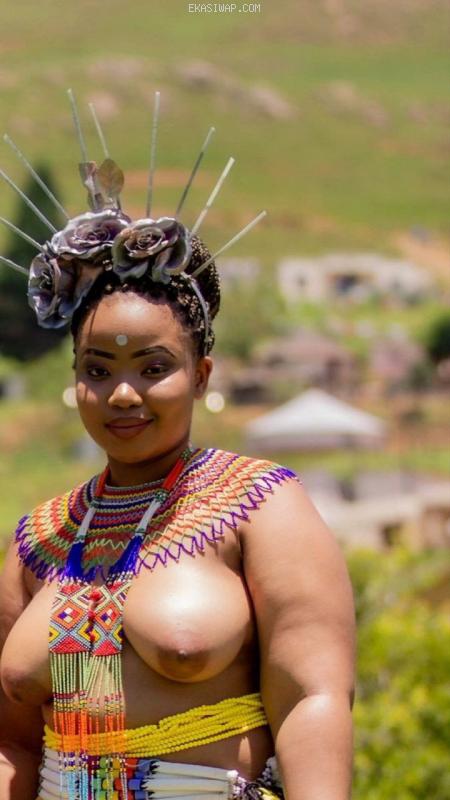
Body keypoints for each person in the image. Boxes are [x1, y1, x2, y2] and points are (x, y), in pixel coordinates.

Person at [0, 100, 355, 800]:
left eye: (153, 368)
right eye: (97, 369)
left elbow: (313, 699)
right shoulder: (38, 541)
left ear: (201, 375)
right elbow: (10, 741)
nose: (122, 394)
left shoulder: (261, 505)